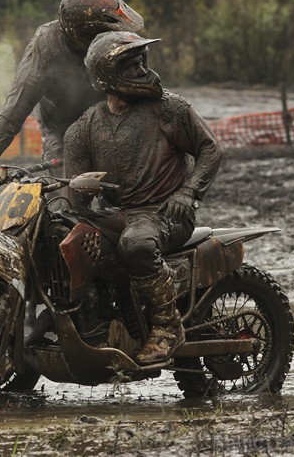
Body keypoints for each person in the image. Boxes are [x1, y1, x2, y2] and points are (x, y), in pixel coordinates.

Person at [63, 31, 223, 365]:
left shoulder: (169, 109)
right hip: (114, 216)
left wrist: (188, 192)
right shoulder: (85, 127)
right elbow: (72, 190)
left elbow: (211, 149)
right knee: (60, 239)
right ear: (106, 75)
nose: (140, 68)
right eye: (129, 62)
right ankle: (98, 322)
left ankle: (167, 326)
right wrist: (75, 196)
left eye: (140, 59)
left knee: (135, 244)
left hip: (164, 214)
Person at [0, 0, 144, 180]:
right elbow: (15, 109)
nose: (113, 37)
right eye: (104, 32)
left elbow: (147, 90)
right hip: (61, 130)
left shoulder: (122, 43)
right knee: (61, 198)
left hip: (113, 124)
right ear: (85, 33)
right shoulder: (46, 47)